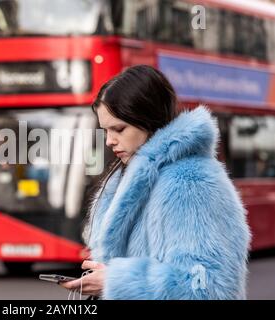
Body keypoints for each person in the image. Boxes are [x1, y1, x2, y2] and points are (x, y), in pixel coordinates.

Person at [60, 65, 251, 300]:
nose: (109, 141)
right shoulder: (123, 178)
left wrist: (116, 282)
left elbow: (210, 288)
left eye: (119, 129)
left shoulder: (191, 182)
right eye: (105, 131)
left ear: (147, 120)